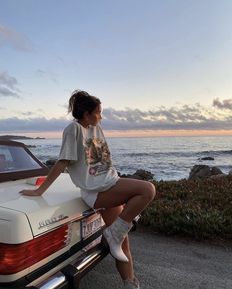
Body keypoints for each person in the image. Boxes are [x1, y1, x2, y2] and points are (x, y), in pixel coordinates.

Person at [20, 90, 156, 289]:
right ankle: (113, 235)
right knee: (148, 189)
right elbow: (63, 162)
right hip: (97, 191)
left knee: (122, 241)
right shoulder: (73, 129)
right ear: (86, 114)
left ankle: (130, 283)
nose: (101, 116)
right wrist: (40, 191)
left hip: (109, 184)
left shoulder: (96, 128)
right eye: (98, 112)